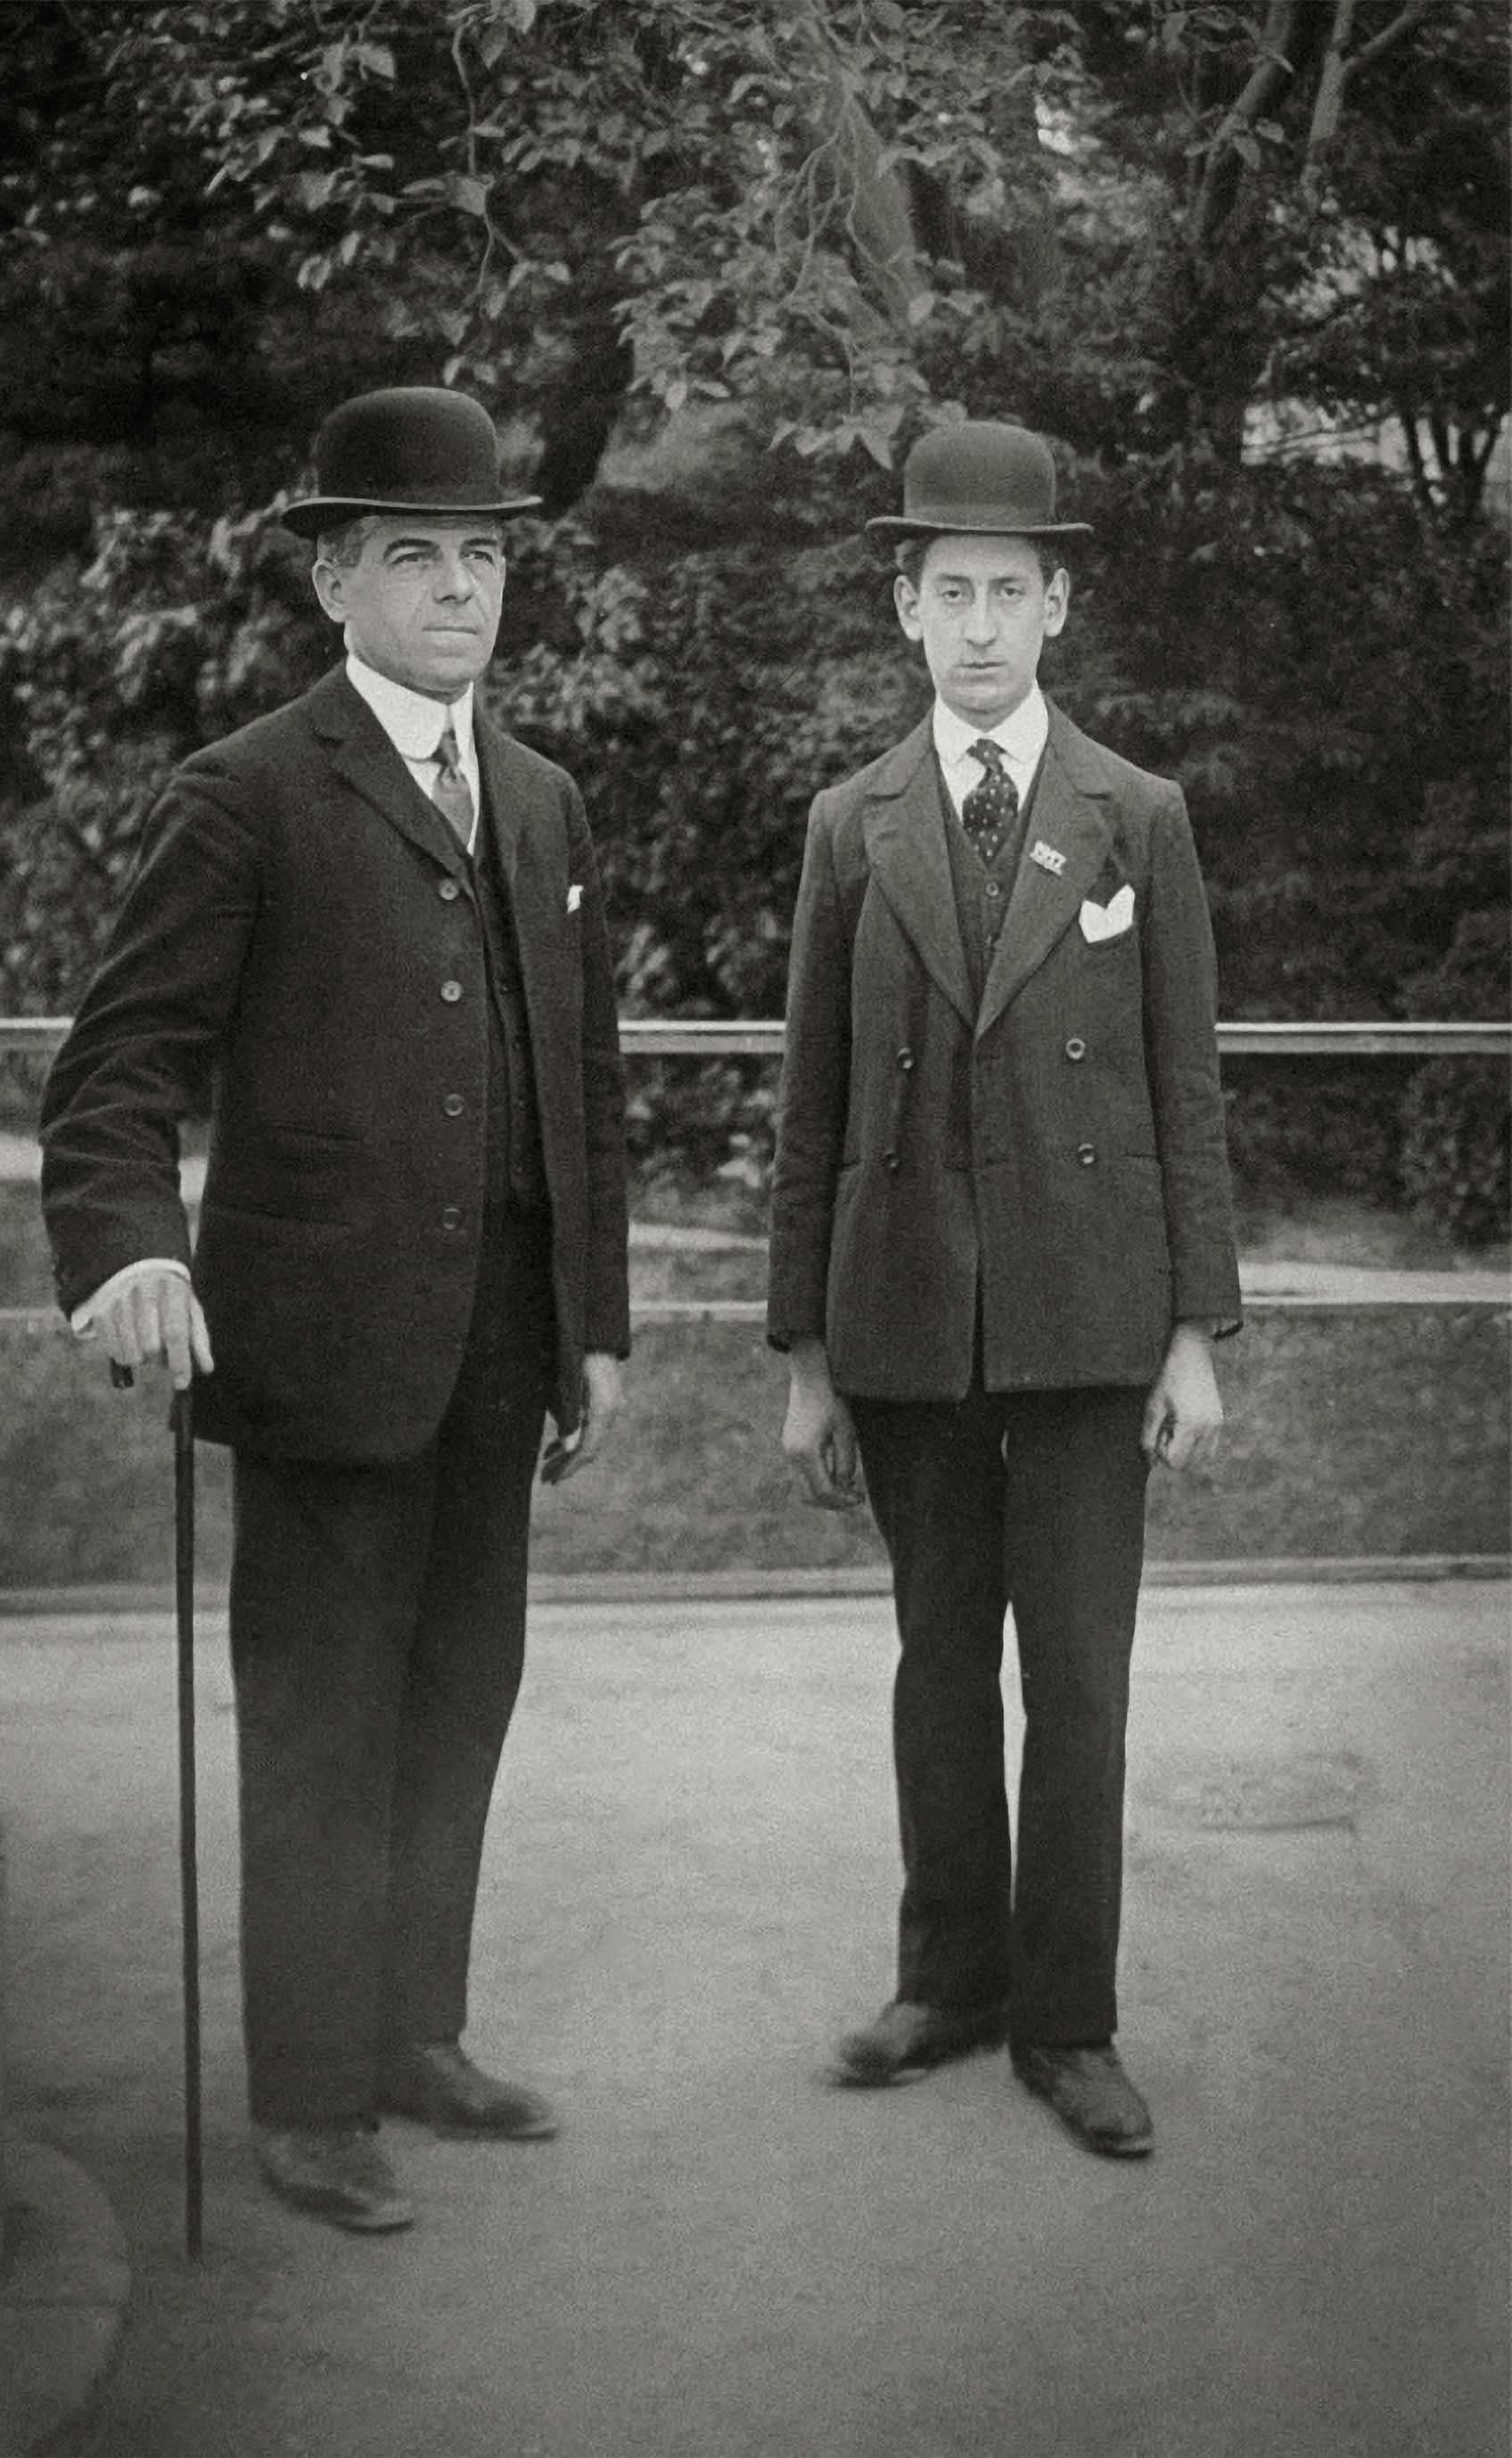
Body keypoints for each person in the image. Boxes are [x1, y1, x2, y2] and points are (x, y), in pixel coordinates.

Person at [40, 387, 630, 2234]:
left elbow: (577, 1083)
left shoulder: (539, 797)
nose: (460, 590)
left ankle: (412, 2035)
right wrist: (129, 1246)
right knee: (319, 1717)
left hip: (495, 1352)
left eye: (483, 556)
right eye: (415, 557)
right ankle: (307, 2096)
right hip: (312, 1353)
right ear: (333, 580)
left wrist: (589, 1323)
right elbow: (118, 1064)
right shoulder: (248, 791)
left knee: (463, 1695)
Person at [767, 420, 1240, 2159]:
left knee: (1085, 1679)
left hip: (1090, 1317)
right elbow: (807, 1101)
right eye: (946, 590)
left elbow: (1185, 1084)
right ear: (905, 608)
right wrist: (805, 1351)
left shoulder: (1139, 816)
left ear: (1061, 604)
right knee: (937, 1660)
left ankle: (1072, 2016)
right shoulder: (849, 826)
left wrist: (1196, 1331)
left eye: (1009, 590)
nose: (978, 623)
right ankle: (949, 1977)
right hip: (902, 1318)